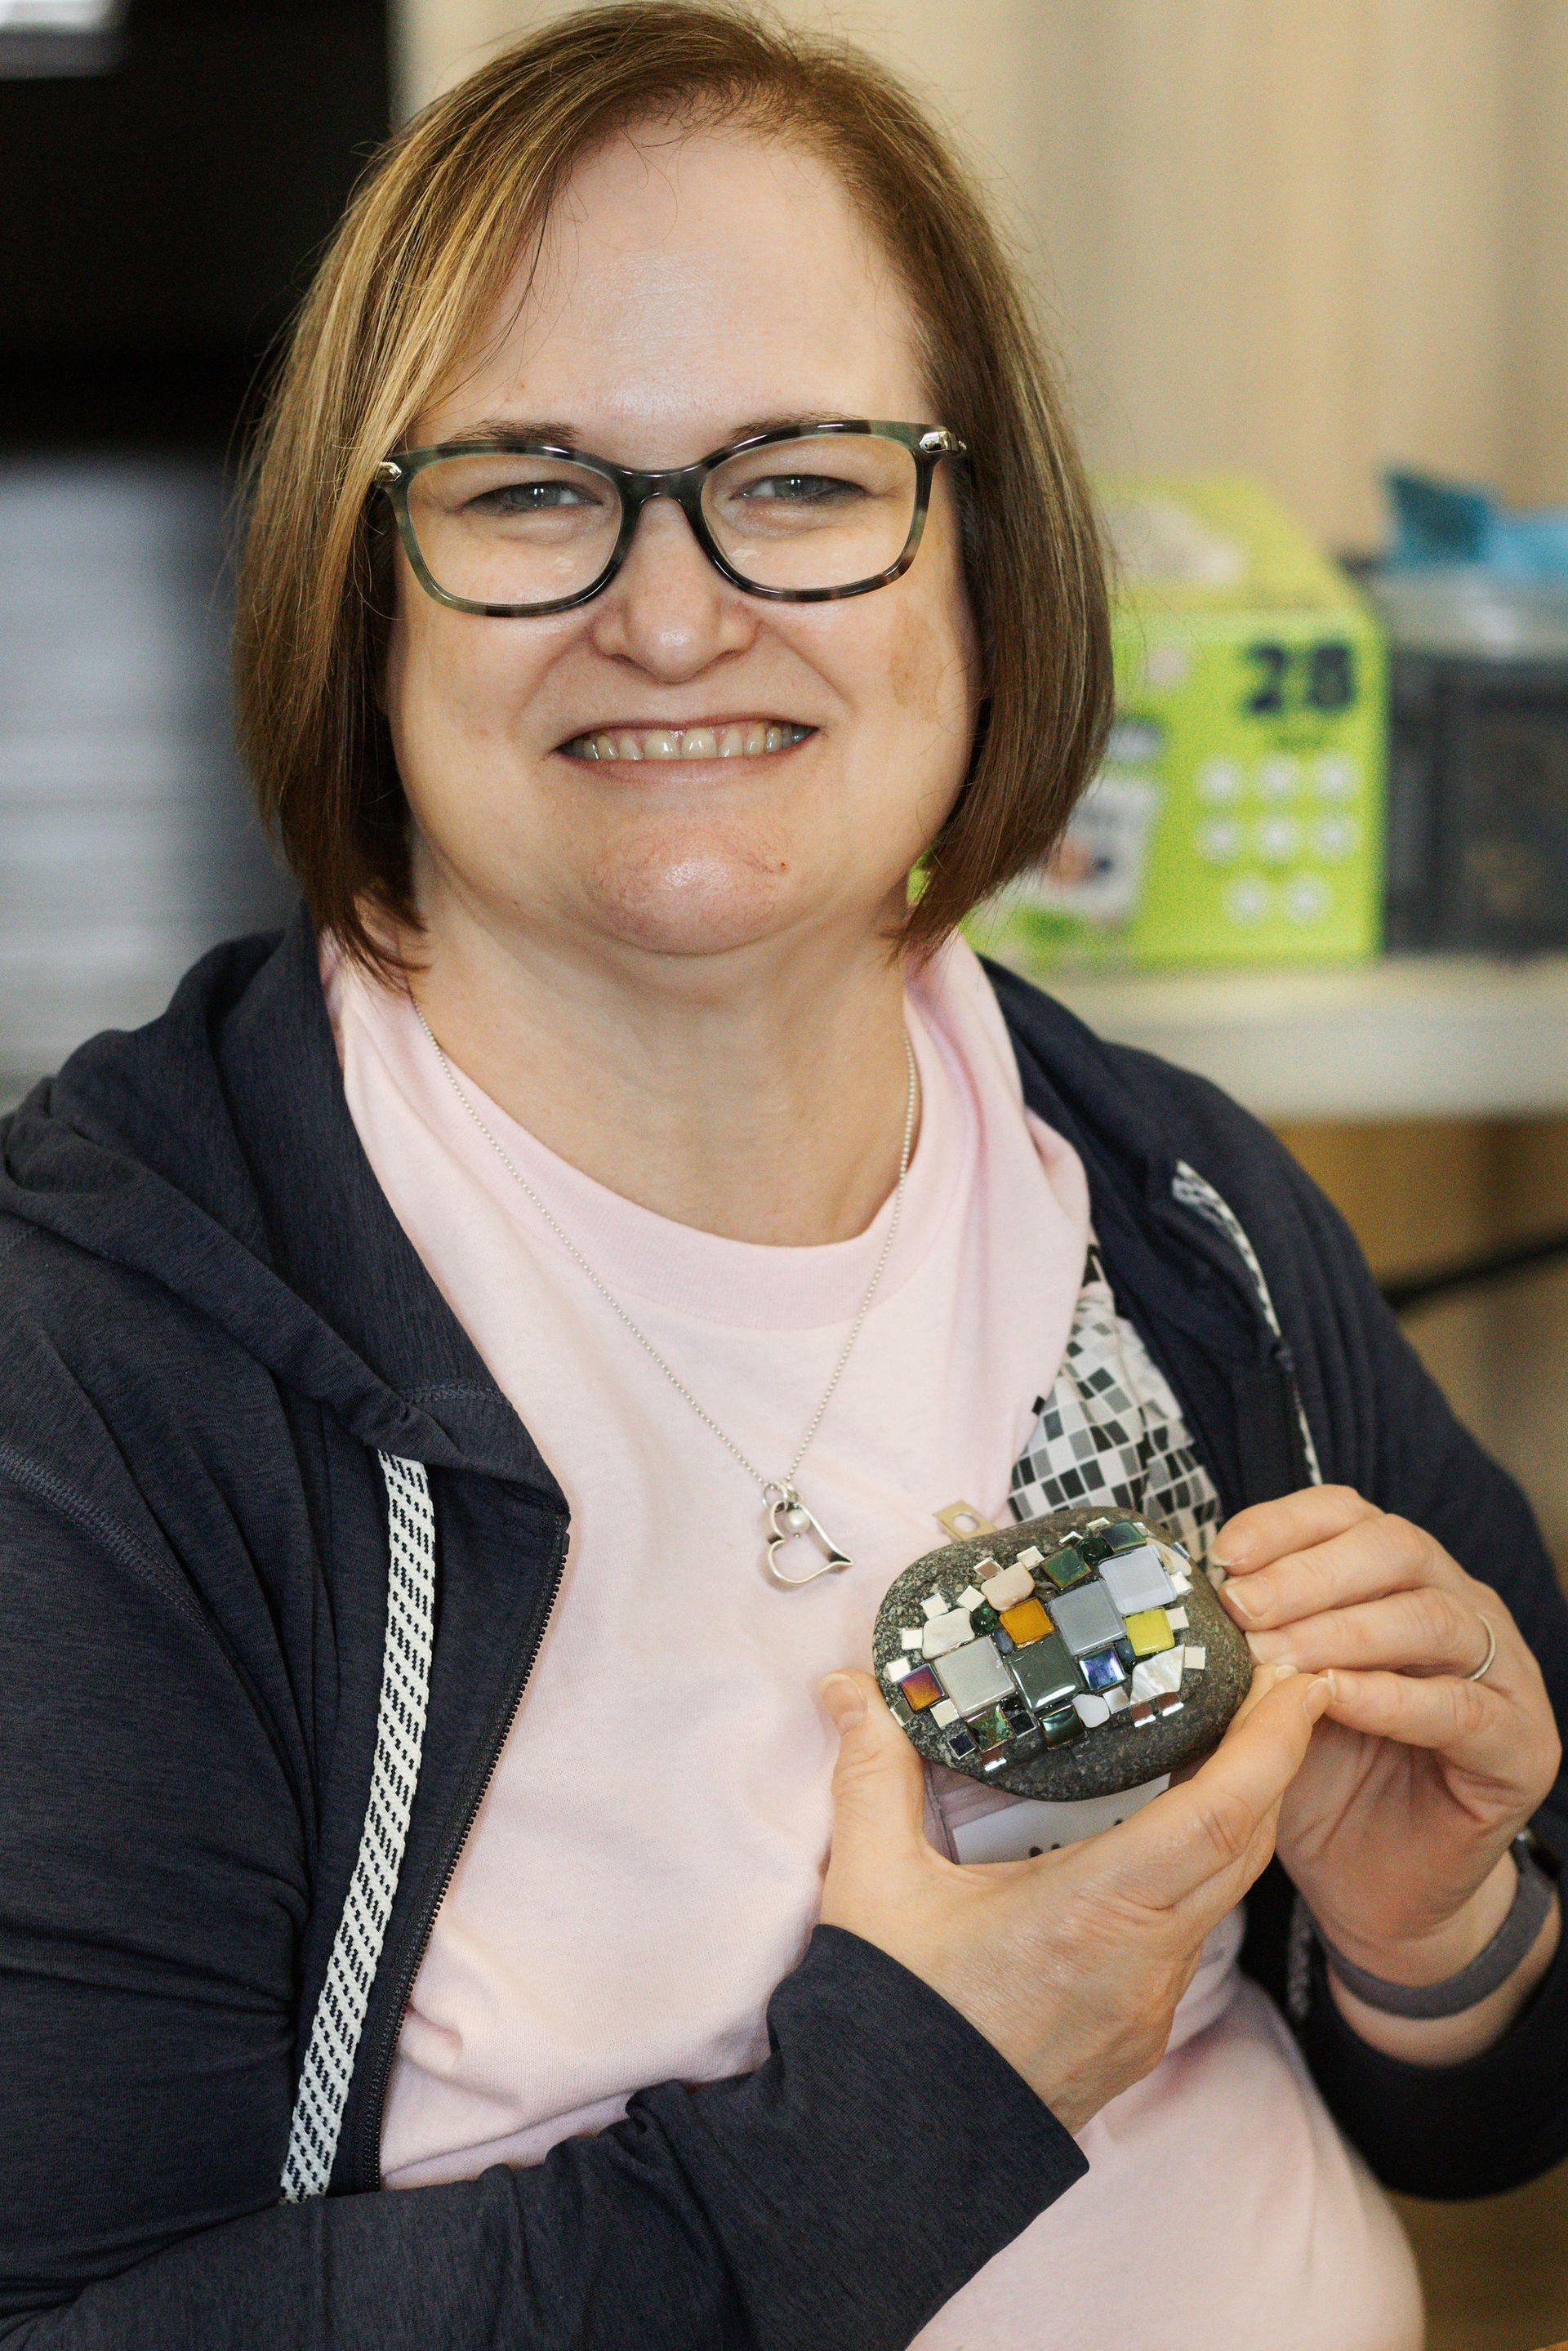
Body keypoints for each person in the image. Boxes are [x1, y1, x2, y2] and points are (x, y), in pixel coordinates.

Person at [2, 7, 1565, 2346]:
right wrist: (920, 2089)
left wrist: (1437, 1943)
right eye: (530, 485)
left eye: (807, 478)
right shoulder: (103, 1360)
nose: (670, 608)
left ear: (983, 564)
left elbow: (1497, 2088)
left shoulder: (1179, 1216)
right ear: (362, 587)